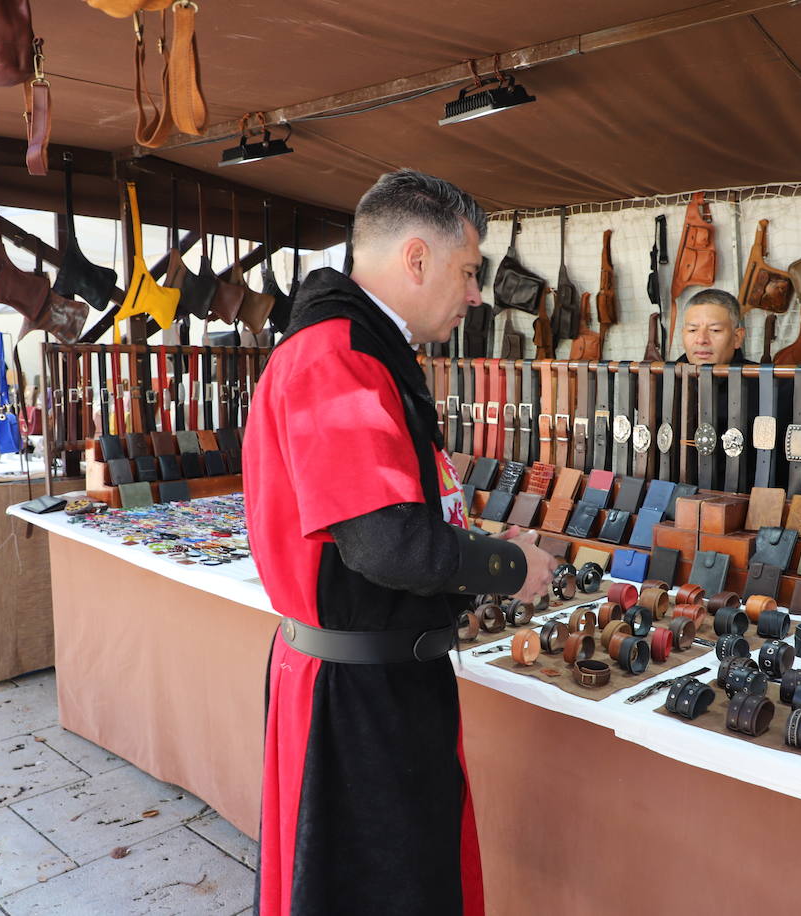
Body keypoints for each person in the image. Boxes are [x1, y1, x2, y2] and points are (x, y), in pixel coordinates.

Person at [243, 169, 557, 916]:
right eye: (469, 270)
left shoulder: (362, 349)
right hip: (356, 703)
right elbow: (385, 545)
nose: (477, 293)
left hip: (370, 685)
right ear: (416, 259)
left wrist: (472, 546)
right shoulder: (339, 355)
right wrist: (508, 566)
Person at [676, 289, 801, 493]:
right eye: (692, 330)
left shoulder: (776, 387)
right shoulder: (661, 385)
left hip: (756, 512)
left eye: (715, 330)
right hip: (674, 510)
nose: (701, 339)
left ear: (737, 337)